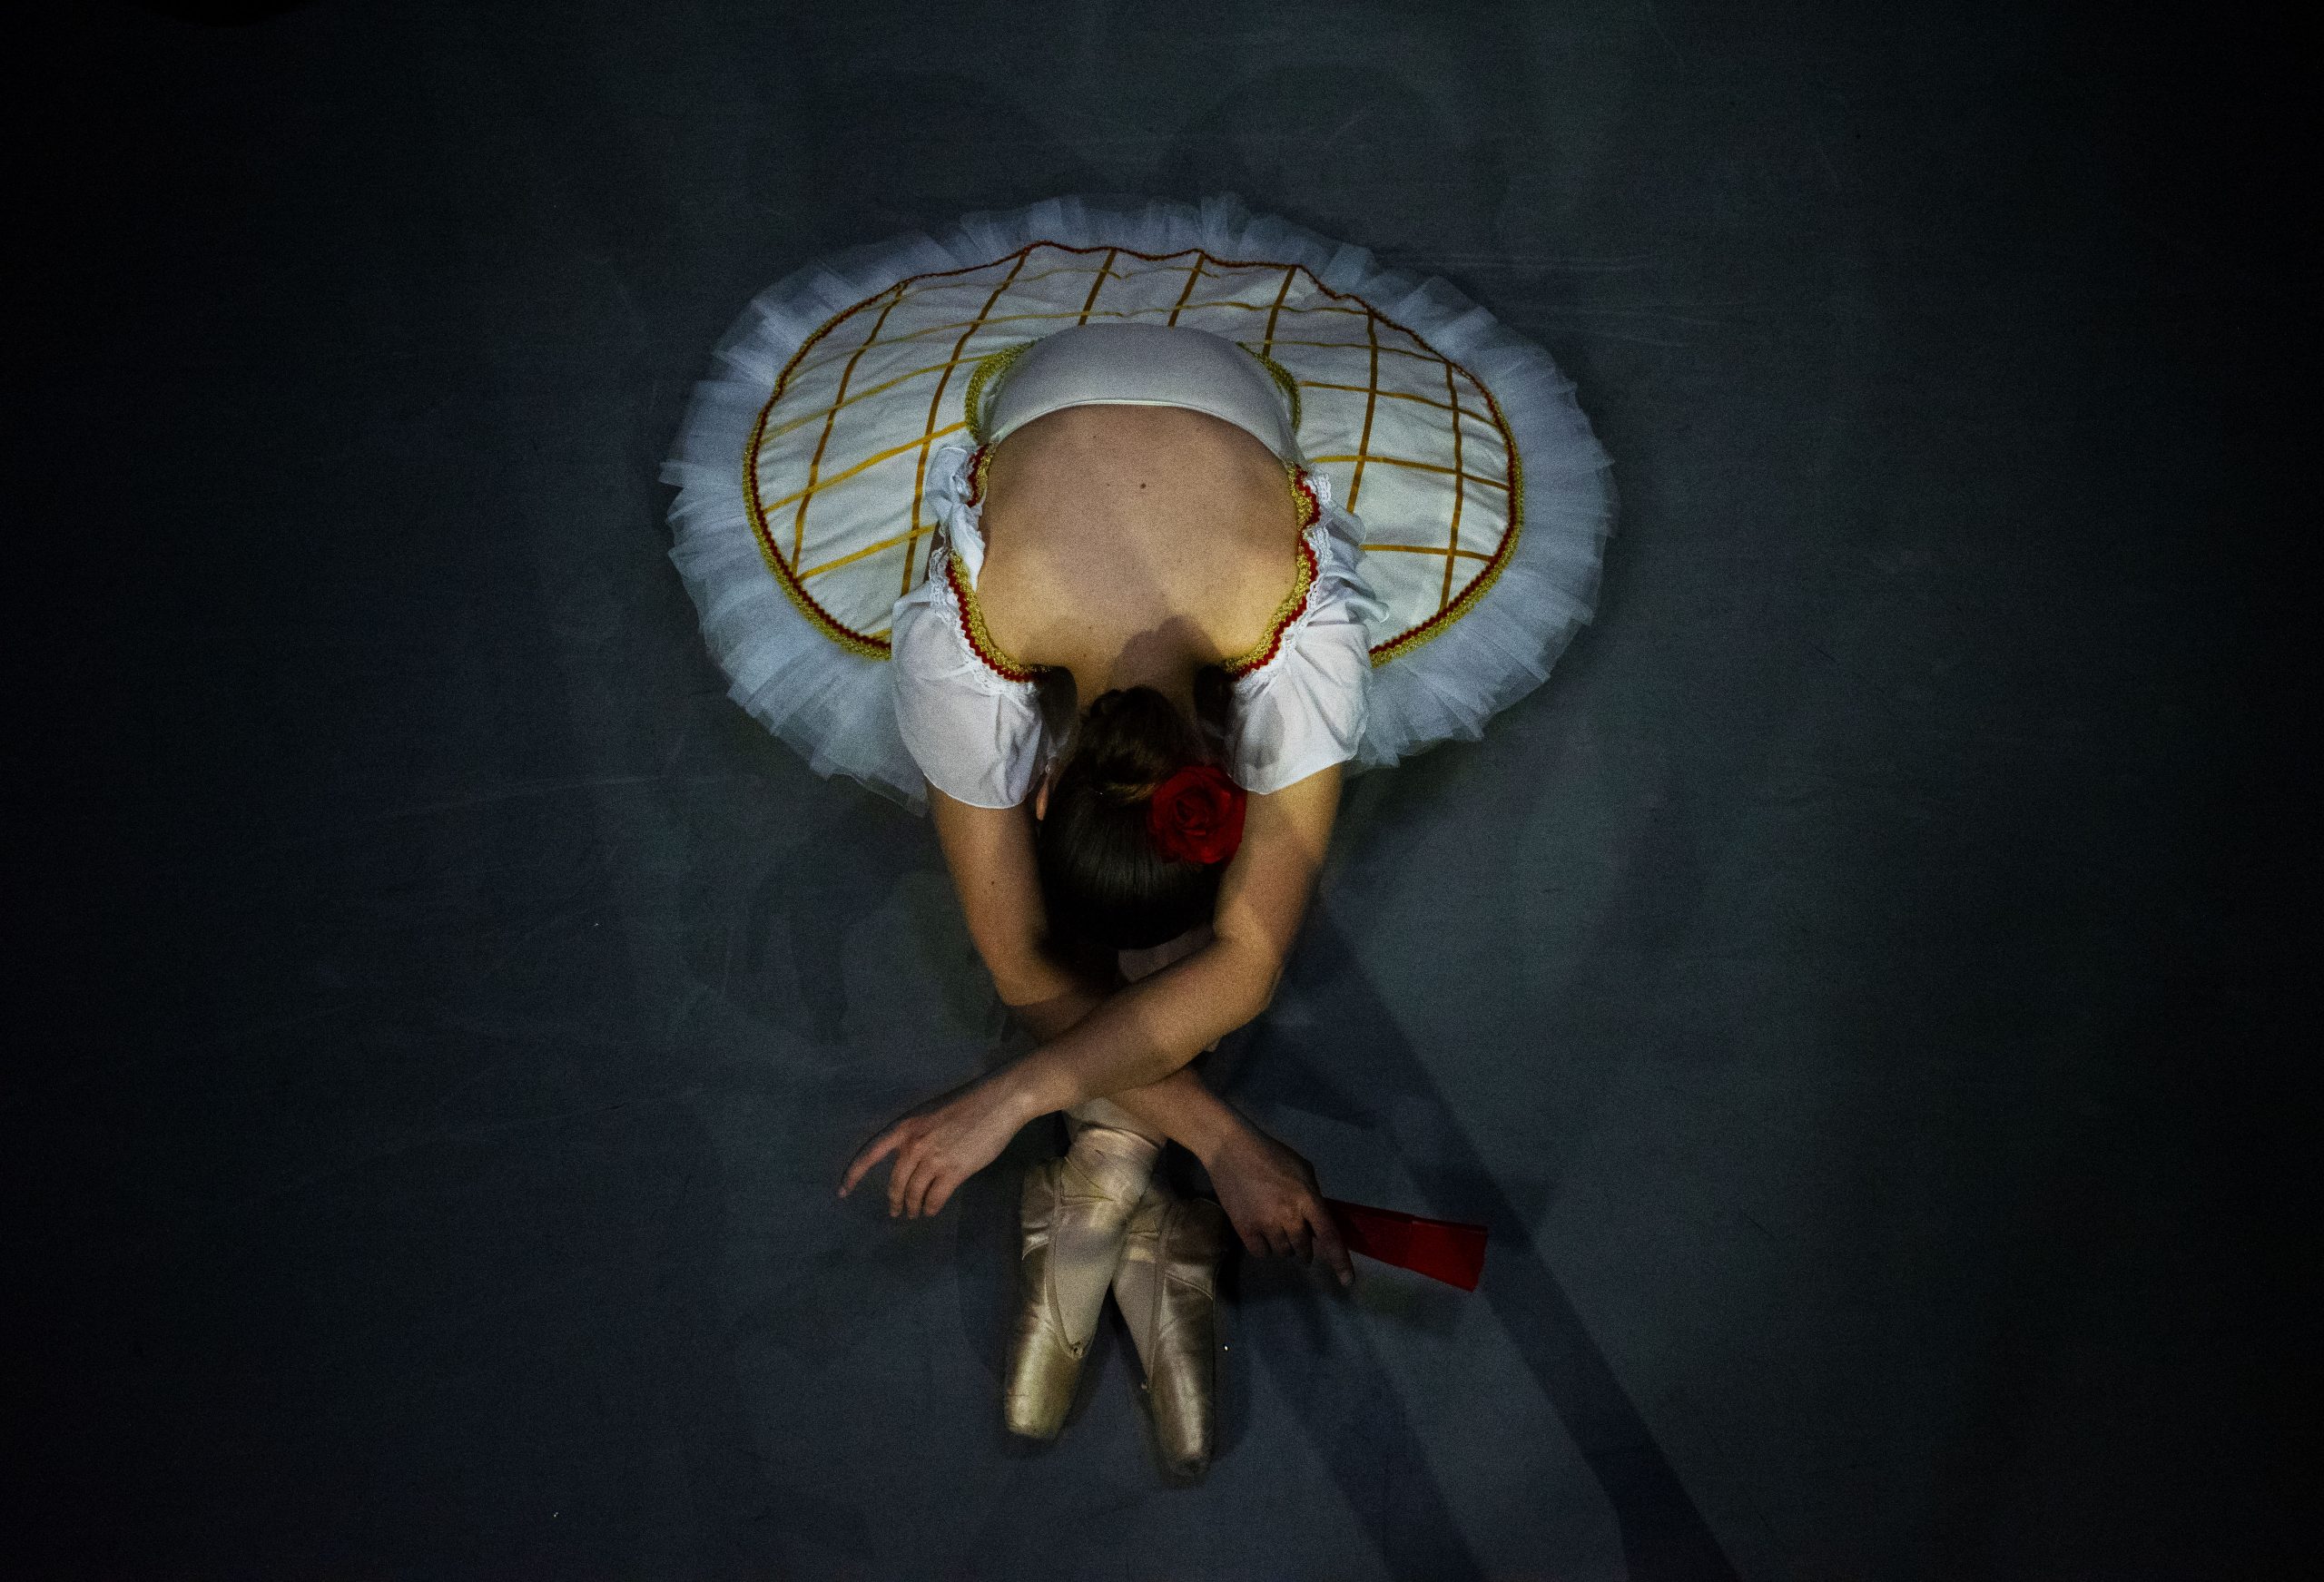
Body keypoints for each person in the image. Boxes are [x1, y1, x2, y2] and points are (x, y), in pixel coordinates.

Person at [664, 195, 1615, 1478]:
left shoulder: (1284, 637)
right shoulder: (975, 638)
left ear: (1044, 783)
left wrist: (1019, 1097)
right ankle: (1120, 1205)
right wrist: (1217, 1136)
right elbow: (1047, 962)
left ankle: (1095, 1198)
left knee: (1145, 931)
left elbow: (1221, 965)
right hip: (1066, 413)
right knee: (1144, 930)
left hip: (1207, 408)